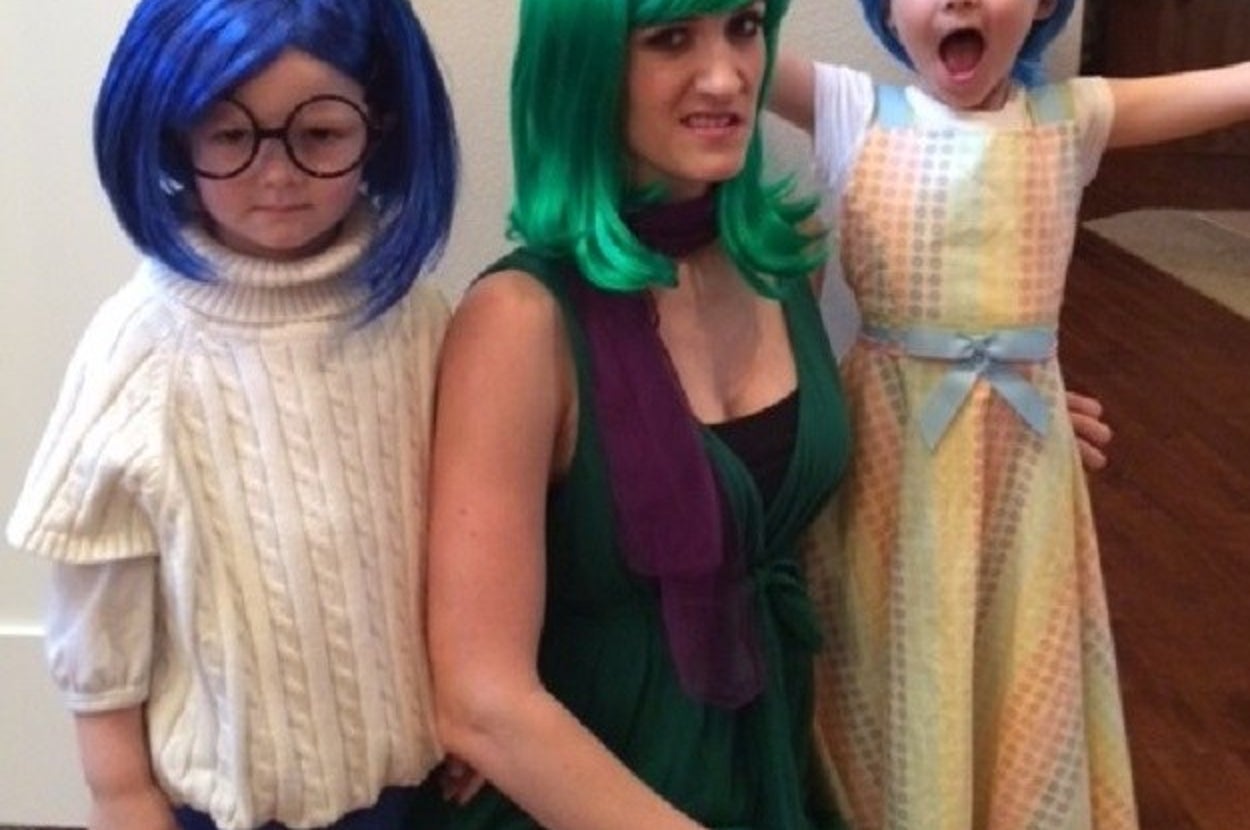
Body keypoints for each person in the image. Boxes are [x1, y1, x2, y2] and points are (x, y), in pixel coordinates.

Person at [766, 0, 1250, 827]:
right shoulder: (852, 110)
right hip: (891, 470)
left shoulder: (1071, 120)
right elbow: (731, 42)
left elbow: (1231, 86)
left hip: (1024, 468)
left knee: (1019, 654)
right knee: (894, 655)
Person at [4, 1, 458, 828]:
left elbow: (466, 550)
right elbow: (97, 604)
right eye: (229, 135)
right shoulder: (140, 346)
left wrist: (471, 704)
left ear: (381, 125)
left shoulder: (420, 321)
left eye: (319, 134)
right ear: (174, 137)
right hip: (224, 805)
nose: (276, 175)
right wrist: (120, 791)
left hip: (416, 789)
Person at [427, 0, 855, 828]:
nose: (727, 76)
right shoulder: (519, 324)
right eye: (670, 39)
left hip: (771, 761)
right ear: (584, 65)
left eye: (744, 26)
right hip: (586, 795)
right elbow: (482, 702)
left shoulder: (787, 261)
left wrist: (1025, 404)